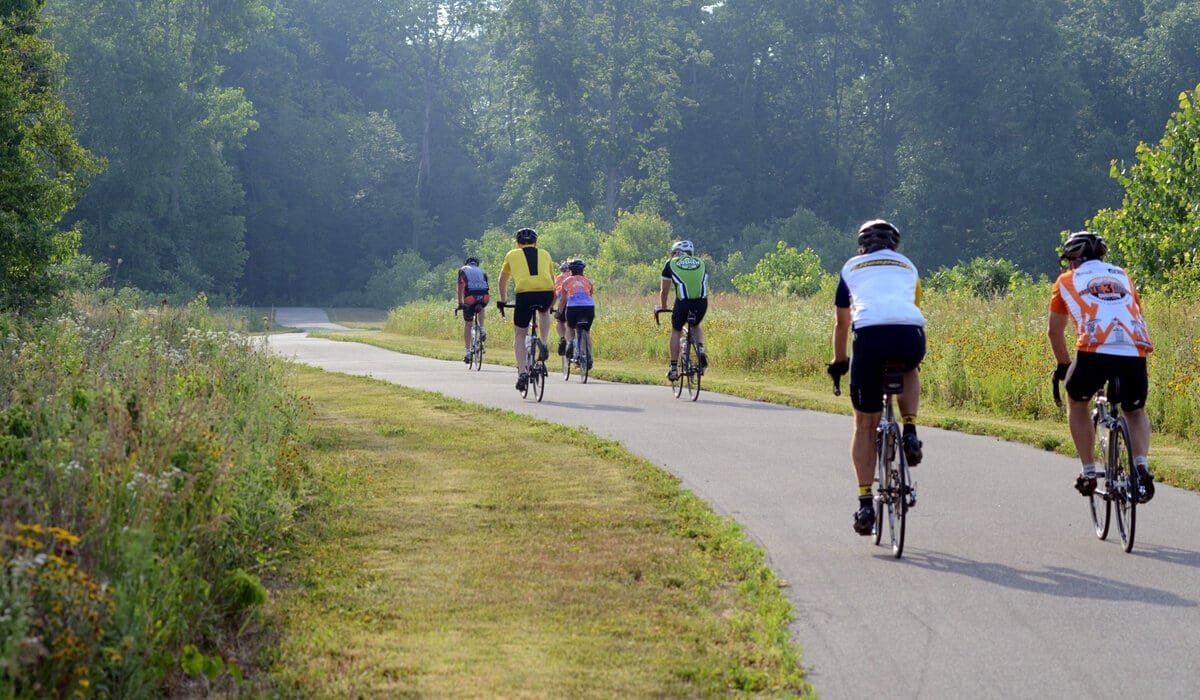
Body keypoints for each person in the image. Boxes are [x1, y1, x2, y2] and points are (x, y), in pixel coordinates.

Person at [826, 219, 926, 536]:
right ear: (894, 246)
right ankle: (909, 428)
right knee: (910, 367)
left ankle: (866, 503)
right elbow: (911, 305)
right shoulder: (908, 266)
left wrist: (840, 361)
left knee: (864, 425)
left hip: (869, 339)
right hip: (909, 334)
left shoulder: (851, 268)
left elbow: (842, 324)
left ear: (862, 247)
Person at [1048, 231, 1155, 503]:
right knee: (1135, 409)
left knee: (1077, 400)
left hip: (1093, 350)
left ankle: (1087, 471)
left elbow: (1055, 332)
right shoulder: (1123, 276)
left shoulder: (1066, 280)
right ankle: (1141, 467)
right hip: (1134, 349)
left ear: (1073, 259)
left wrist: (1064, 367)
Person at [497, 227, 555, 392]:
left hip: (525, 294)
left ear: (517, 243)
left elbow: (502, 280)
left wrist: (503, 300)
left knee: (520, 334)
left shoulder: (512, 254)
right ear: (536, 243)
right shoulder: (545, 253)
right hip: (546, 292)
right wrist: (551, 303)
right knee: (544, 312)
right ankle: (543, 342)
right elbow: (553, 280)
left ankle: (522, 373)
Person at [657, 240, 708, 381]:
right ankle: (701, 350)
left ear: (676, 252)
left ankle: (673, 368)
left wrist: (664, 306)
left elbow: (664, 291)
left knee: (676, 330)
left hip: (683, 303)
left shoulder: (670, 263)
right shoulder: (701, 262)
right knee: (696, 325)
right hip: (702, 302)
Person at [556, 258, 596, 366]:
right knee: (586, 332)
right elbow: (590, 295)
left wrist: (559, 312)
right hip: (589, 307)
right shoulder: (588, 281)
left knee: (570, 326)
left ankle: (571, 344)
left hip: (573, 307)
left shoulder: (566, 281)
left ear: (571, 270)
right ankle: (589, 358)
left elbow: (563, 300)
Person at [457, 256, 489, 363]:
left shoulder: (463, 270)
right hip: (485, 297)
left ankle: (467, 352)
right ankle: (483, 328)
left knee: (468, 324)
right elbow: (486, 288)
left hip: (470, 298)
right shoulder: (482, 271)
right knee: (481, 306)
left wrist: (460, 303)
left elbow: (460, 288)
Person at [553, 260, 572, 356]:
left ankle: (562, 338)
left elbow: (555, 295)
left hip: (564, 303)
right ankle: (573, 342)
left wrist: (551, 307)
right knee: (571, 324)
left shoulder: (558, 279)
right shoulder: (576, 278)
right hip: (577, 304)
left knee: (560, 321)